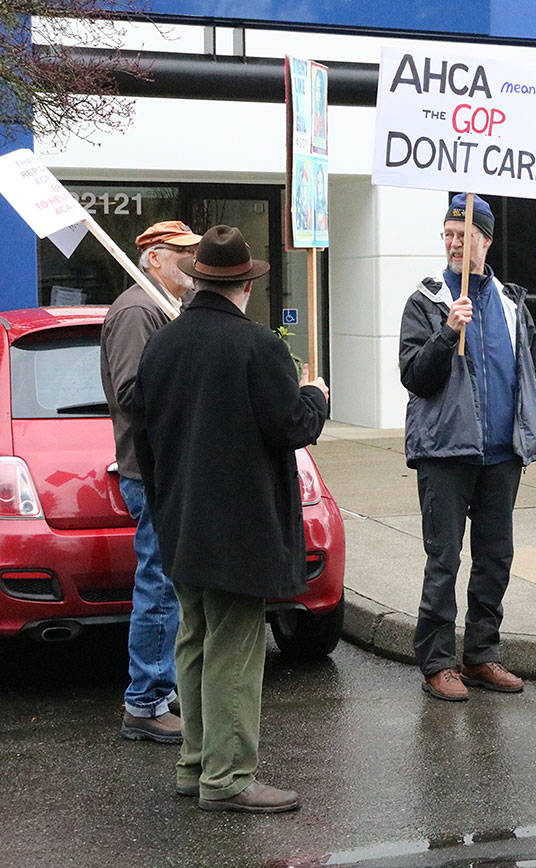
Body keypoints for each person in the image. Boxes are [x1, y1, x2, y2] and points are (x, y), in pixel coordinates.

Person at [135, 225, 329, 812]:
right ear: (245, 284)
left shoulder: (162, 344)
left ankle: (196, 765)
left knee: (194, 641)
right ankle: (228, 776)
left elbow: (144, 442)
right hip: (240, 530)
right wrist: (315, 393)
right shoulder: (258, 347)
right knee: (234, 652)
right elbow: (293, 426)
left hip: (181, 520)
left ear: (198, 280)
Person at [399, 193, 536, 702]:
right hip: (445, 451)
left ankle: (481, 653)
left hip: (502, 453)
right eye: (448, 234)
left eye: (464, 235)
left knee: (496, 558)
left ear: (486, 239)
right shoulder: (428, 299)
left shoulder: (511, 302)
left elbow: (530, 366)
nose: (454, 243)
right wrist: (447, 333)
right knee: (444, 559)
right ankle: (437, 661)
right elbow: (413, 376)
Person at [100, 219, 202, 744]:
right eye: (184, 253)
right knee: (159, 587)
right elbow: (133, 392)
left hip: (164, 467)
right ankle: (144, 702)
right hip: (152, 469)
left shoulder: (163, 309)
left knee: (166, 585)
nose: (193, 261)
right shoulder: (139, 310)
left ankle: (157, 690)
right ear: (157, 257)